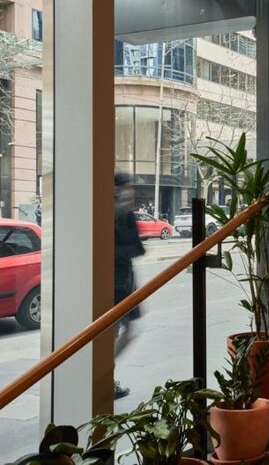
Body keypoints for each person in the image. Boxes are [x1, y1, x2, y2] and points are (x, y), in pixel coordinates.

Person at [113, 170, 146, 399]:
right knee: (123, 330)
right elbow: (136, 248)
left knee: (117, 331)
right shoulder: (121, 211)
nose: (130, 189)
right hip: (120, 282)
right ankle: (104, 376)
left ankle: (104, 375)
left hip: (120, 280)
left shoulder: (117, 210)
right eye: (127, 185)